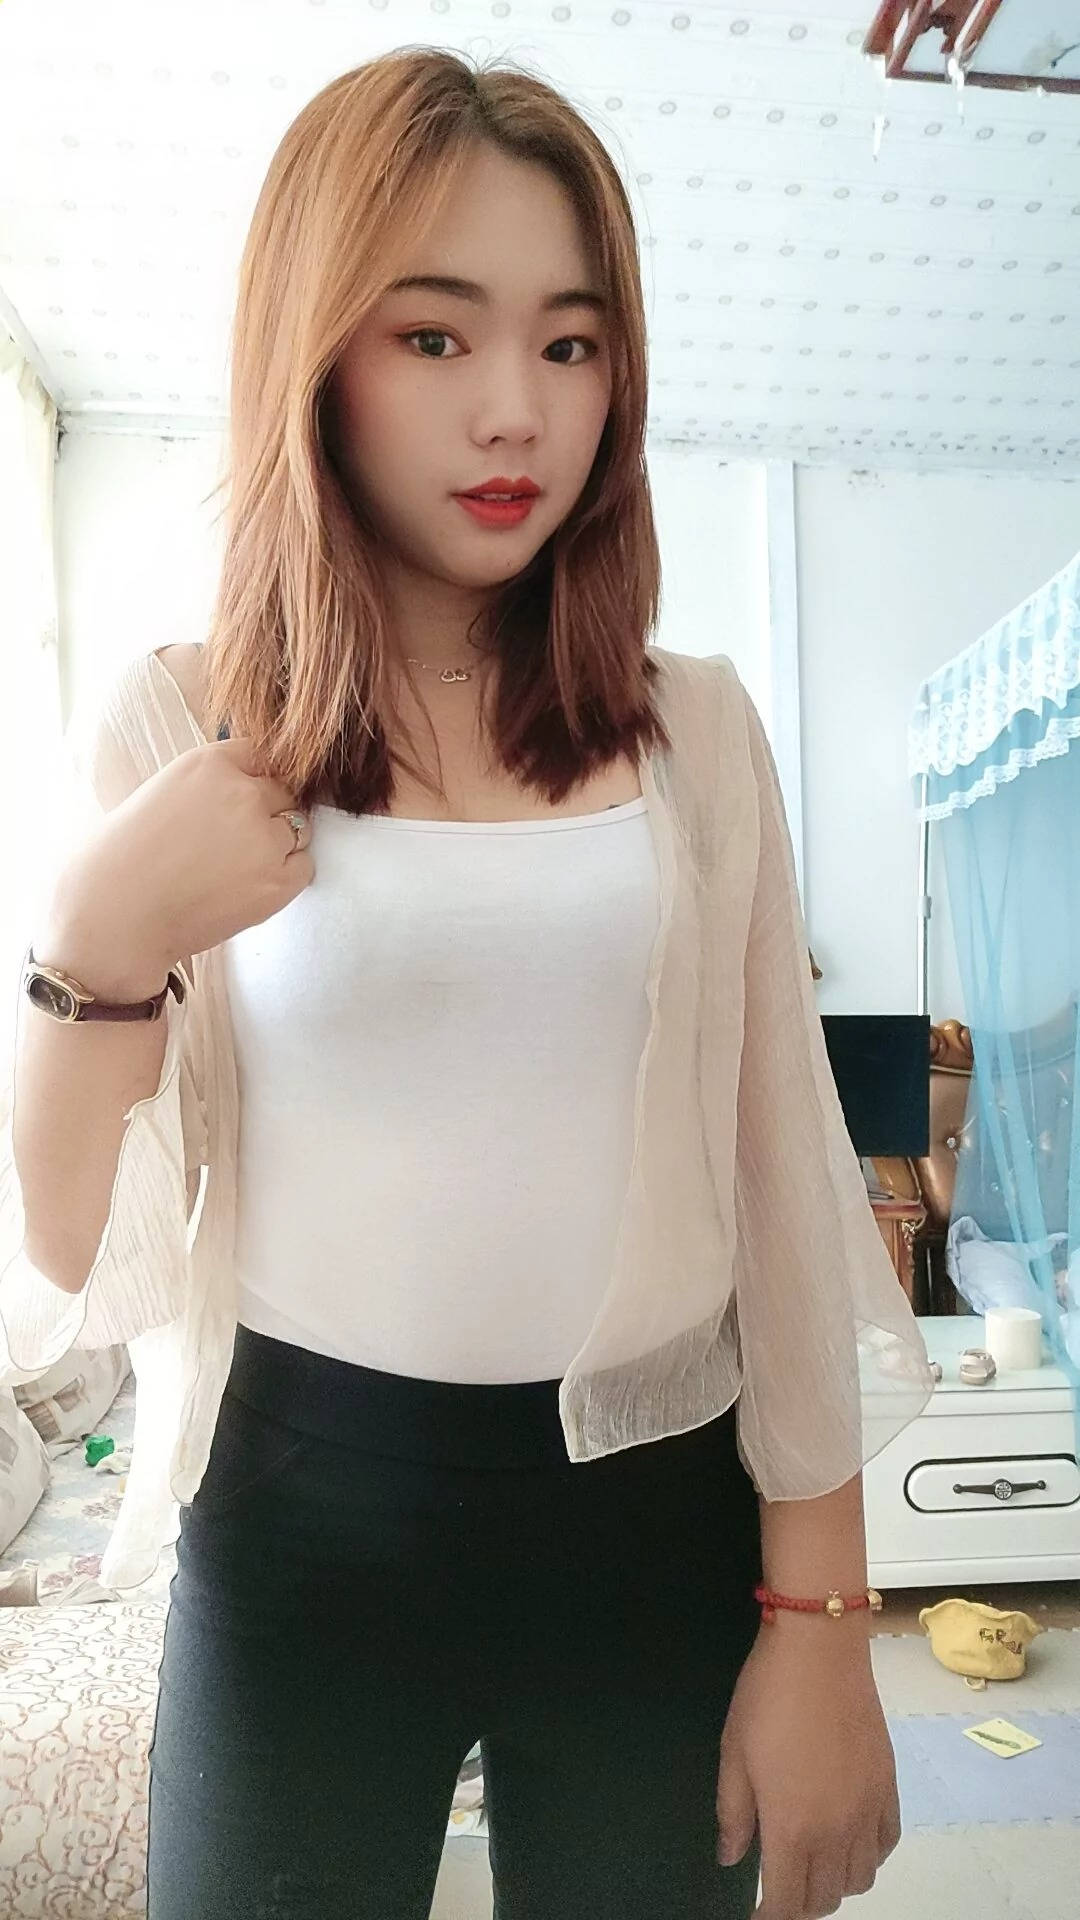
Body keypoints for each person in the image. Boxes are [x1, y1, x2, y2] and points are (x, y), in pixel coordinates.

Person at [3, 48, 936, 1920]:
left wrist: (827, 1622)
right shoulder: (189, 726)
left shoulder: (697, 736)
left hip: (652, 1518)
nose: (516, 408)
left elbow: (784, 1187)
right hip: (298, 1520)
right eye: (434, 336)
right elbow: (65, 1240)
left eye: (571, 344)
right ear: (317, 356)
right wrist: (94, 940)